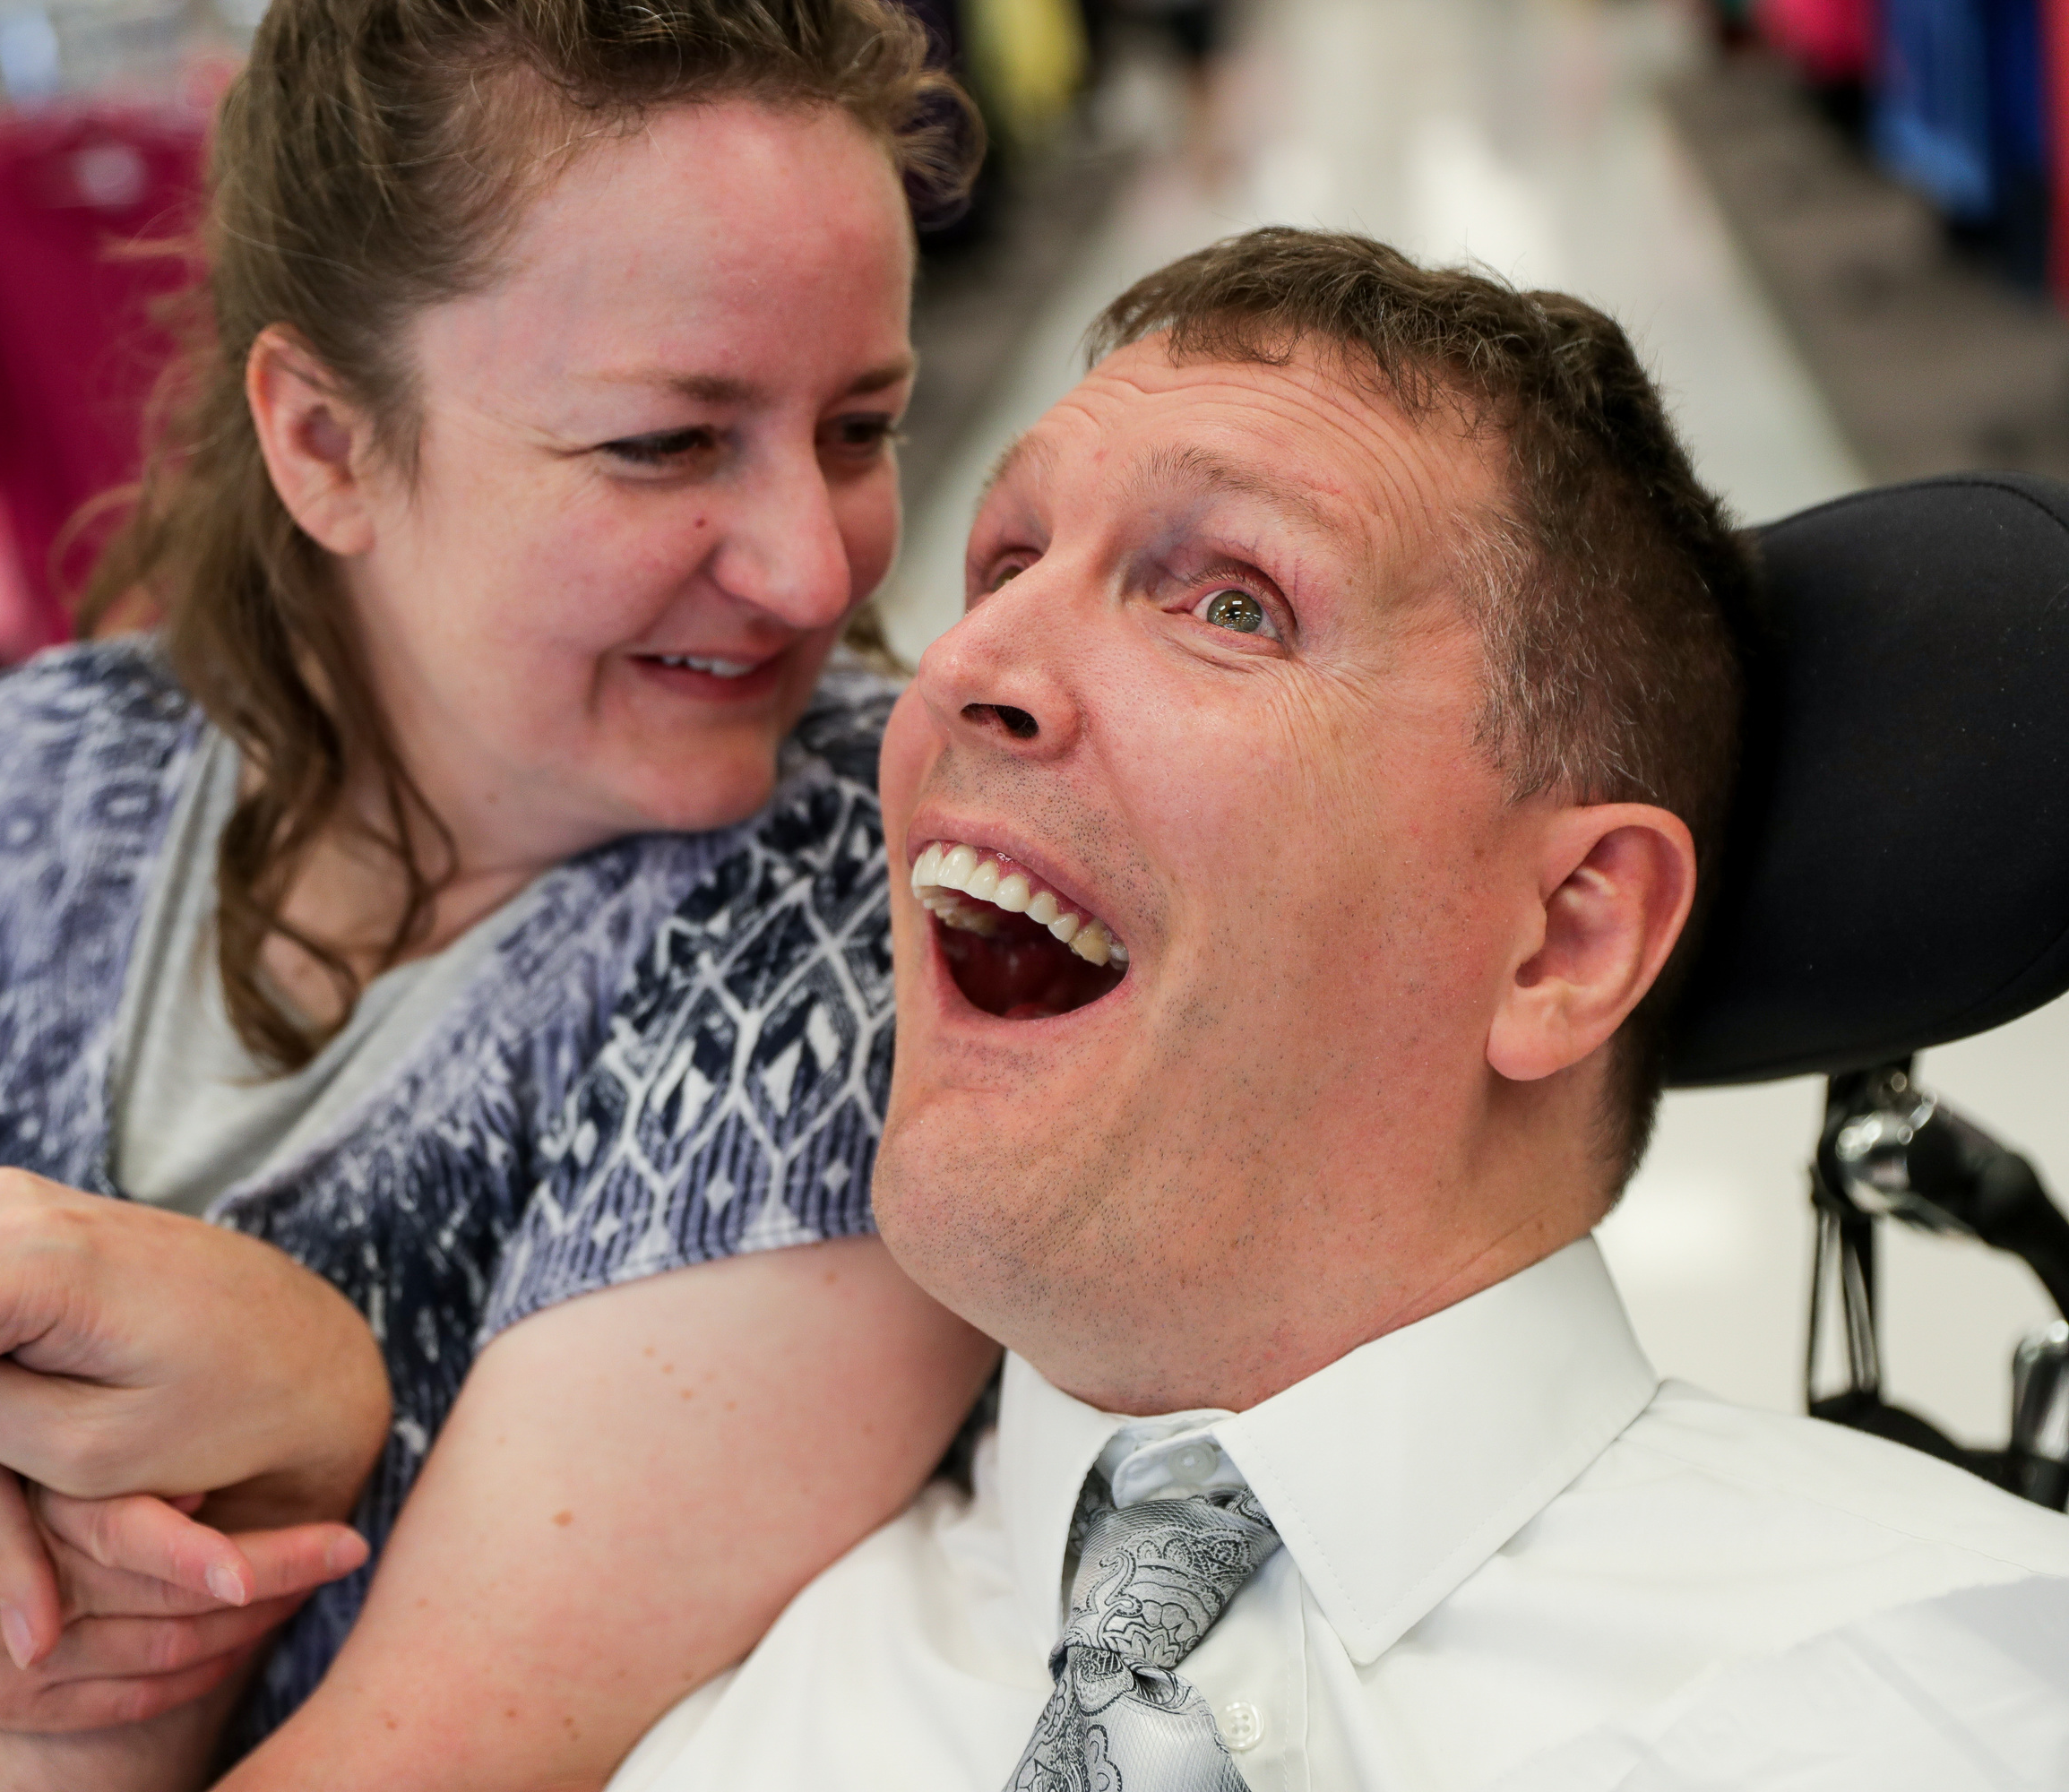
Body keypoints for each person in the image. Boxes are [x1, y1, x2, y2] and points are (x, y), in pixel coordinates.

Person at [0, 0, 998, 1785]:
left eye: (860, 428)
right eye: (666, 444)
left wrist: (249, 1449)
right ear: (323, 441)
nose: (810, 568)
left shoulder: (872, 897)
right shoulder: (23, 792)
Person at [599, 228, 2069, 1790]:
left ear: (1565, 940)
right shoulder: (638, 1662)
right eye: (1008, 566)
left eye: (1231, 606)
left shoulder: (1946, 1696)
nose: (965, 663)